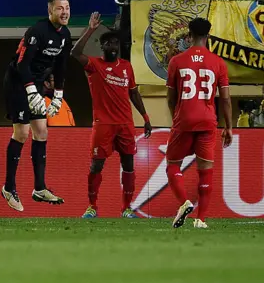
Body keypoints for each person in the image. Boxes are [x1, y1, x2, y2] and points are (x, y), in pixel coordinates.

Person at [70, 13, 153, 219]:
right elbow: (74, 52)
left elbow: (133, 92)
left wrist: (145, 117)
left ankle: (126, 208)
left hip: (125, 123)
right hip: (103, 123)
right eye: (108, 43)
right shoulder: (94, 66)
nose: (113, 46)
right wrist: (90, 29)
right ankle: (92, 206)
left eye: (115, 42)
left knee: (129, 165)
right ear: (102, 46)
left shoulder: (126, 66)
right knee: (96, 164)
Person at [1, 0, 72, 212]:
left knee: (41, 131)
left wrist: (58, 95)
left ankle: (39, 188)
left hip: (37, 84)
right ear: (50, 11)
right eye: (60, 8)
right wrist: (32, 92)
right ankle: (8, 187)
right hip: (17, 83)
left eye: (67, 8)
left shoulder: (65, 35)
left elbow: (60, 68)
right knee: (21, 133)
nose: (65, 12)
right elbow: (22, 65)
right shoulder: (36, 31)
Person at [165, 17, 232, 229]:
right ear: (208, 36)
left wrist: (176, 115)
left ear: (189, 35)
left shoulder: (177, 61)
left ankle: (184, 202)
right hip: (207, 120)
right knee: (206, 170)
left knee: (172, 165)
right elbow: (226, 99)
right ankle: (201, 219)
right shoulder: (218, 62)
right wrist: (228, 126)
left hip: (184, 119)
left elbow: (170, 97)